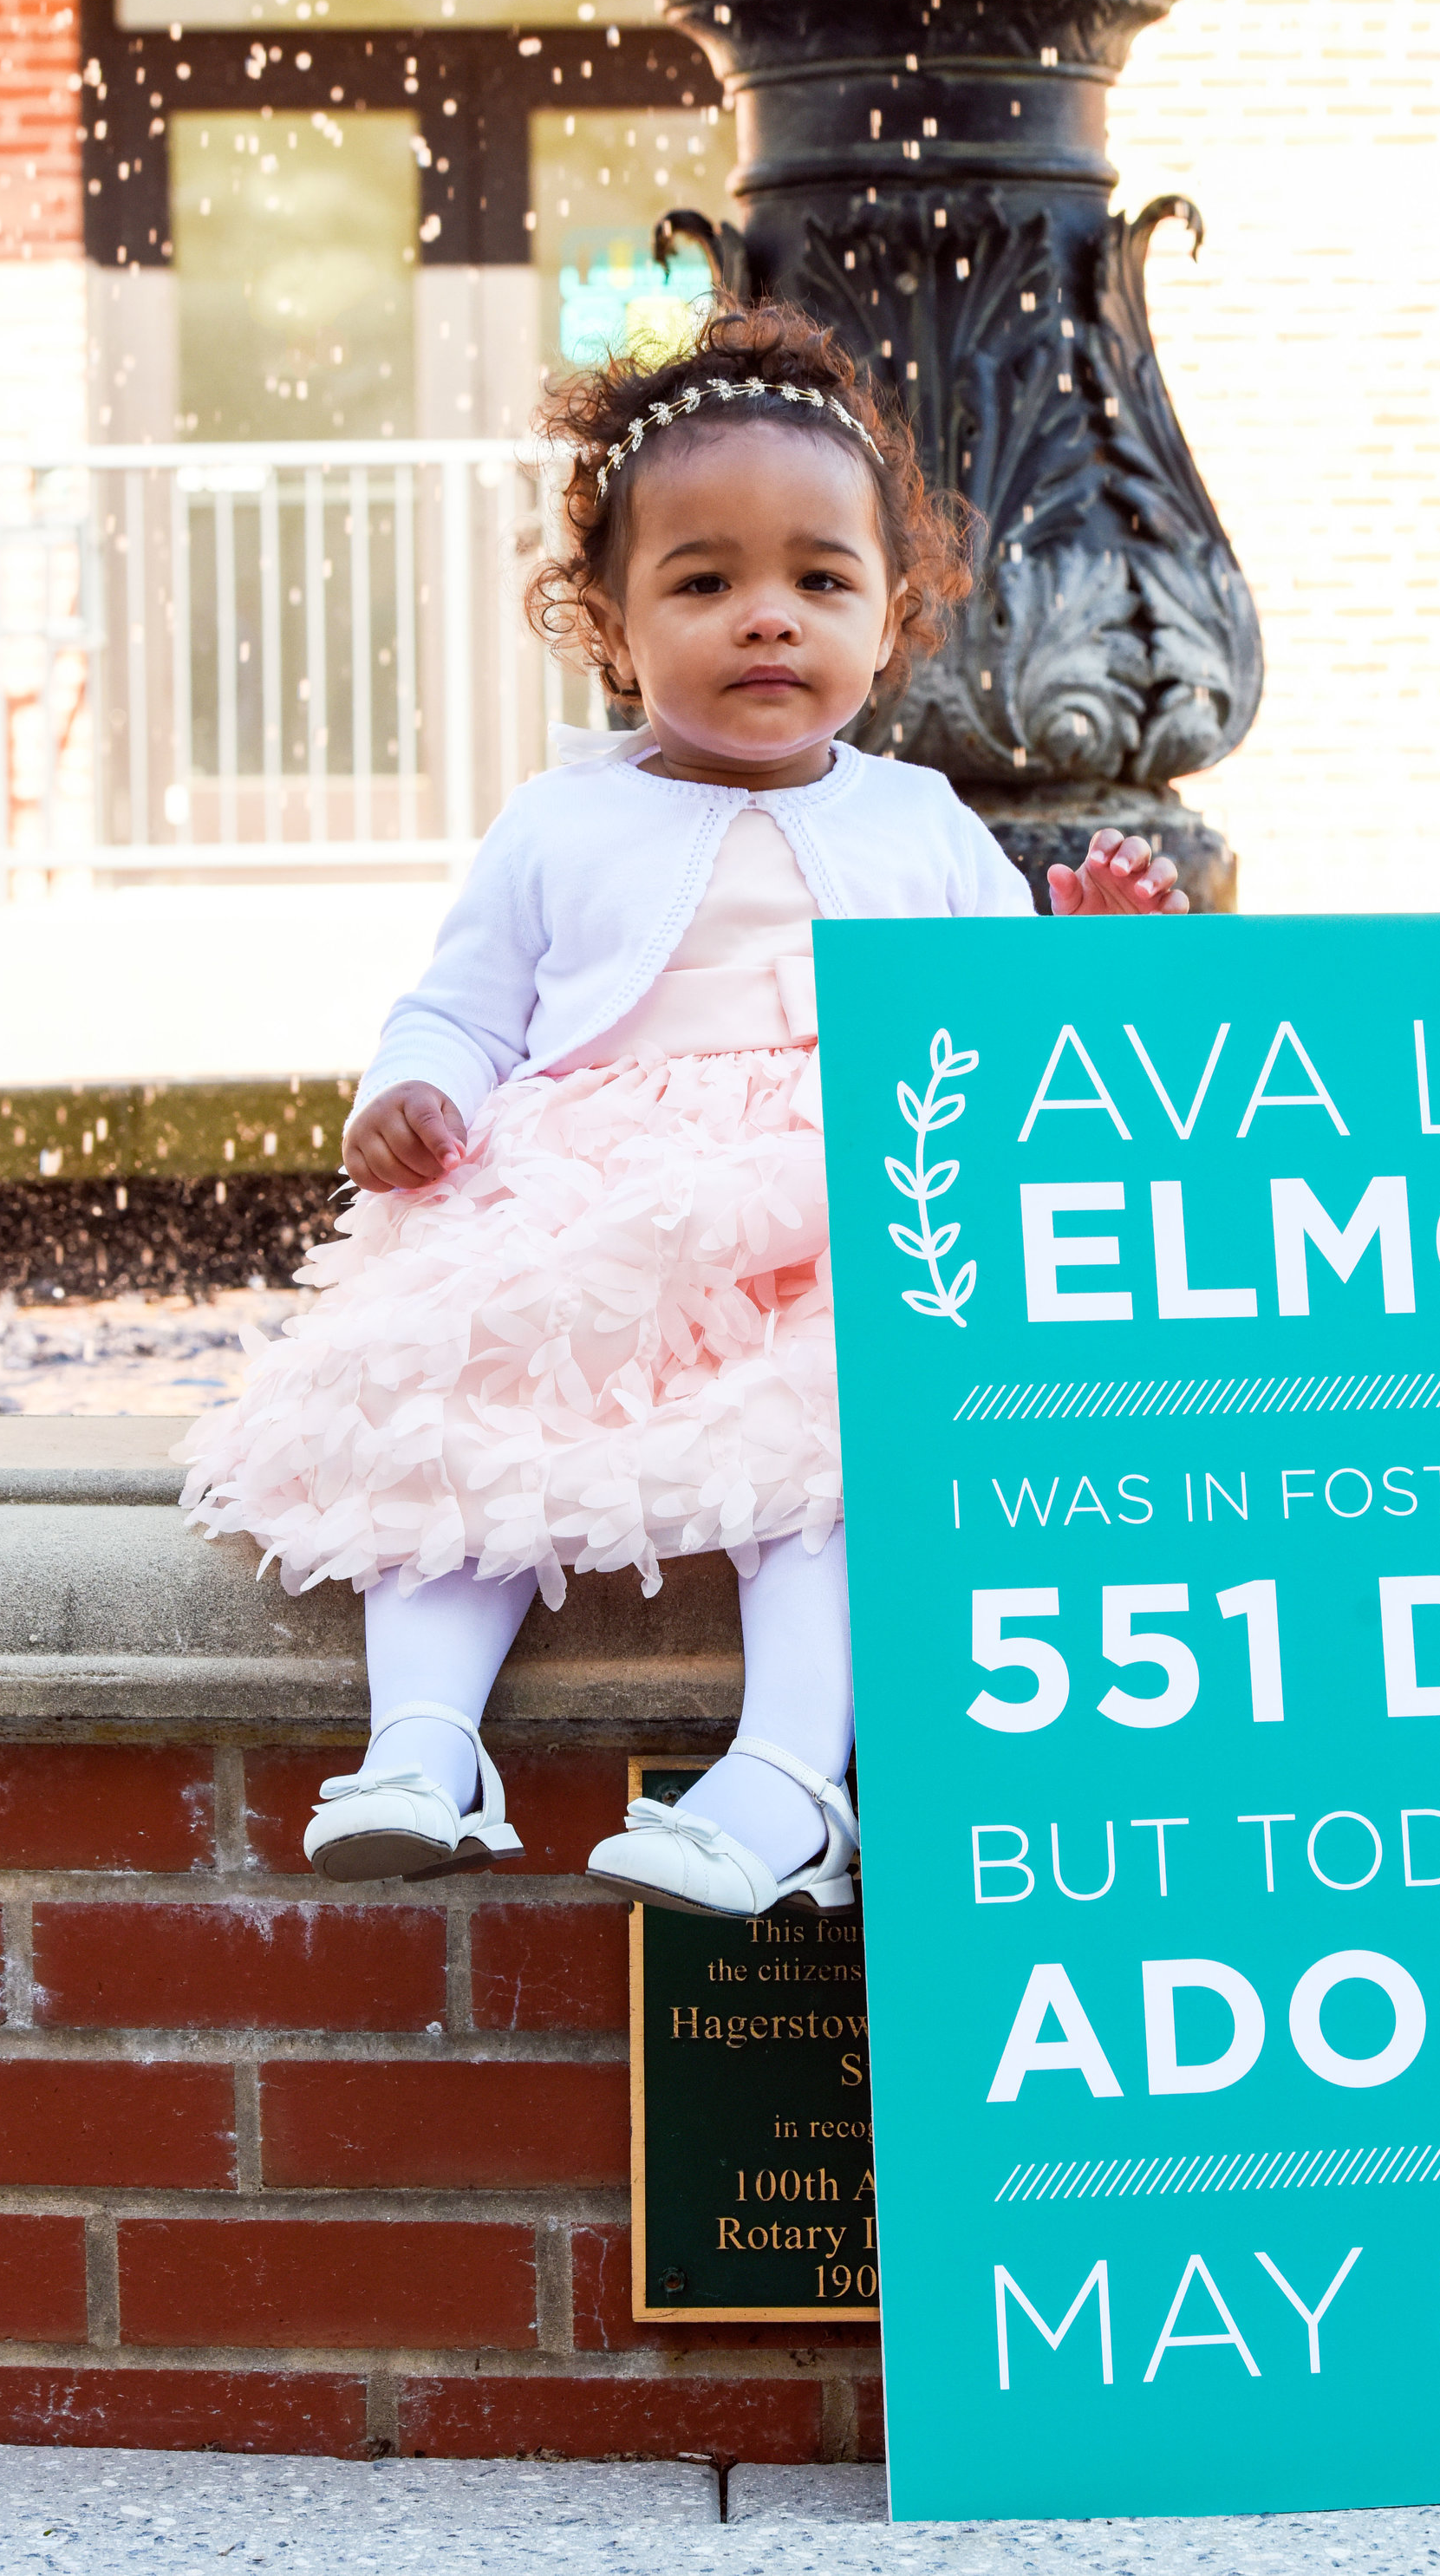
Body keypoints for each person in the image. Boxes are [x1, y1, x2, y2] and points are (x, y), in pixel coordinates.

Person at [179, 298, 1186, 1922]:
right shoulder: (559, 821)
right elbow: (462, 999)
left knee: (835, 1445)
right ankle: (422, 1746)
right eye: (704, 581)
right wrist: (416, 1090)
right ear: (608, 615)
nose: (765, 619)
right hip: (595, 1200)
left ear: (893, 611)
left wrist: (1094, 969)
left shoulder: (924, 823)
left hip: (851, 1200)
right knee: (455, 1399)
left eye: (818, 579)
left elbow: (1009, 1056)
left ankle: (786, 1778)